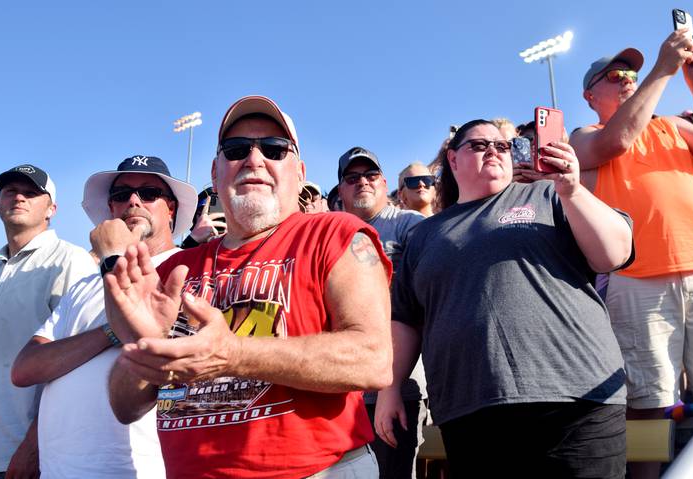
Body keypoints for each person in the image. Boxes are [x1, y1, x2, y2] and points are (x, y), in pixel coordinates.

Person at [104, 95, 392, 478]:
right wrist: (145, 348)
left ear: (300, 171)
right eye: (237, 149)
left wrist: (233, 353)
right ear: (215, 171)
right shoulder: (175, 269)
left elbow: (372, 359)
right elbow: (125, 407)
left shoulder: (336, 234)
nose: (254, 159)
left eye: (274, 149)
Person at [376, 119, 633, 478]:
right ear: (452, 159)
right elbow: (405, 320)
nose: (494, 151)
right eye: (480, 145)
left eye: (503, 146)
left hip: (575, 398)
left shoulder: (550, 194)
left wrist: (572, 190)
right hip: (470, 409)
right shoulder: (424, 235)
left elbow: (614, 254)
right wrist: (390, 390)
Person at [570, 30, 693, 478]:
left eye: (632, 72)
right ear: (590, 94)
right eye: (616, 75)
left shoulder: (671, 124)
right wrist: (661, 70)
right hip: (638, 279)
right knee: (648, 402)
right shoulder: (585, 135)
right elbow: (615, 143)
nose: (628, 78)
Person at [11, 155, 197, 478]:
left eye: (149, 192)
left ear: (171, 209)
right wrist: (109, 333)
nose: (133, 201)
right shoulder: (84, 283)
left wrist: (116, 257)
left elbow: (164, 354)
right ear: (111, 210)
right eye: (121, 194)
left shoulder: (190, 269)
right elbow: (26, 368)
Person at [0, 164, 96, 478]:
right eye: (10, 191)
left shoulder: (70, 260)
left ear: (51, 208)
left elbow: (75, 363)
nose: (19, 197)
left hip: (25, 457)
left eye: (31, 192)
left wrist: (33, 448)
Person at [337, 147, 427, 478]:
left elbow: (423, 295)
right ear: (342, 190)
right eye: (352, 177)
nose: (363, 181)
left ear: (384, 183)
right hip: (343, 390)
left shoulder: (409, 224)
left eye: (371, 175)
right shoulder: (331, 232)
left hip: (394, 382)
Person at [182, 183, 228, 248]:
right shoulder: (181, 253)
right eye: (201, 212)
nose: (207, 218)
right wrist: (192, 240)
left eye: (217, 210)